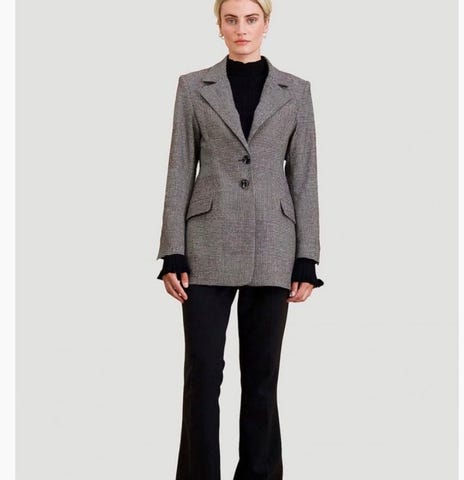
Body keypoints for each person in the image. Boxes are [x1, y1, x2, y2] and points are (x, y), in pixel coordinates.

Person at [155, 0, 323, 478]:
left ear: (266, 24)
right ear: (219, 25)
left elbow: (304, 176)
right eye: (231, 19)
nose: (241, 29)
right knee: (203, 375)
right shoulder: (193, 87)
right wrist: (172, 251)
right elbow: (179, 168)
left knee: (262, 378)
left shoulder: (296, 90)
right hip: (205, 245)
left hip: (274, 246)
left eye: (251, 19)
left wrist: (307, 257)